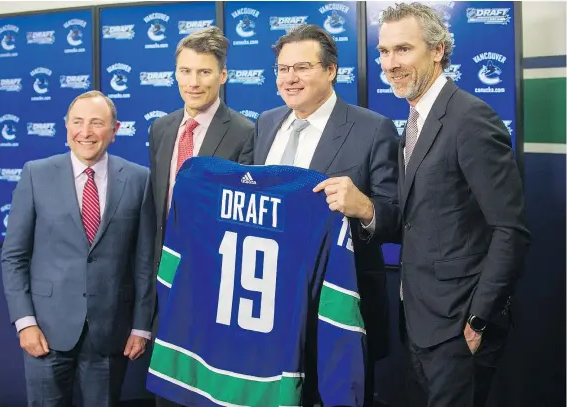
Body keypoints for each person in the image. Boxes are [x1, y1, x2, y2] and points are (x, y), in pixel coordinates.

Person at [376, 3, 530, 406]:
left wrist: (478, 319)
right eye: (384, 51)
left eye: (403, 49)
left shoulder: (470, 119)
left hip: (460, 328)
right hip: (419, 320)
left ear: (438, 50)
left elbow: (510, 231)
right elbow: (418, 219)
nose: (391, 63)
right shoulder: (412, 122)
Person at [241, 24, 401, 406]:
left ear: (331, 71)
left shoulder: (372, 128)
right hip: (269, 306)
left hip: (338, 309)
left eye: (302, 67)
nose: (289, 78)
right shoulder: (266, 122)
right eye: (282, 68)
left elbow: (396, 217)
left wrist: (363, 207)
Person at [1, 90, 155, 407]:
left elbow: (144, 262)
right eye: (77, 122)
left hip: (111, 331)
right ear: (66, 126)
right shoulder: (36, 174)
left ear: (114, 130)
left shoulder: (139, 180)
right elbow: (14, 257)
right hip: (45, 330)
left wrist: (142, 326)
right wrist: (25, 322)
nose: (85, 132)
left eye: (96, 123)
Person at [148, 26, 254, 407]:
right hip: (166, 282)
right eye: (185, 71)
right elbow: (157, 211)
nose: (193, 82)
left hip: (217, 284)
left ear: (222, 75)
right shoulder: (161, 129)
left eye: (204, 72)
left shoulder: (246, 133)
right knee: (168, 390)